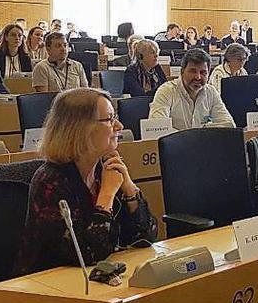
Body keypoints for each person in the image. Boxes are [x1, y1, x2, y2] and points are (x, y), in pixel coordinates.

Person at [13, 88, 158, 275]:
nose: (119, 126)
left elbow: (147, 236)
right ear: (80, 129)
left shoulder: (105, 169)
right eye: (109, 119)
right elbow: (85, 254)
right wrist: (106, 195)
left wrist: (129, 189)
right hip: (49, 288)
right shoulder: (50, 181)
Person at [148, 48, 235, 130]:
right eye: (193, 71)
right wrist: (193, 137)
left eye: (203, 72)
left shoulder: (211, 92)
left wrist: (202, 134)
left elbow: (228, 124)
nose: (198, 77)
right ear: (182, 71)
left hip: (204, 143)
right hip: (176, 145)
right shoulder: (166, 91)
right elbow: (157, 128)